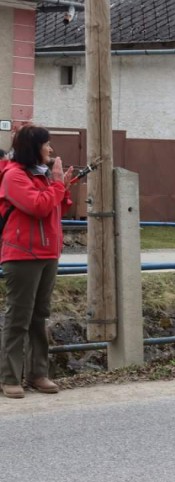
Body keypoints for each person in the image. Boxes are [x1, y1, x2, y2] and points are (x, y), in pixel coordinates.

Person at [0, 125, 73, 398]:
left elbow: (57, 207)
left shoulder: (41, 175)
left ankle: (38, 374)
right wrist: (55, 184)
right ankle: (9, 377)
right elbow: (38, 206)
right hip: (22, 254)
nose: (51, 150)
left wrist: (62, 186)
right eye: (46, 145)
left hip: (48, 253)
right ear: (34, 148)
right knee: (18, 318)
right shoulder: (14, 176)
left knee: (39, 317)